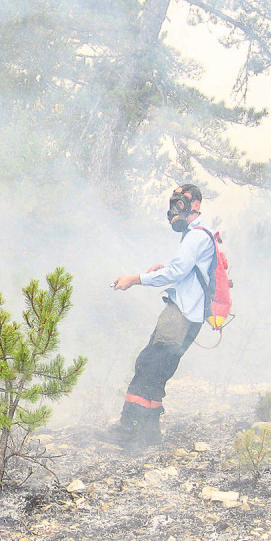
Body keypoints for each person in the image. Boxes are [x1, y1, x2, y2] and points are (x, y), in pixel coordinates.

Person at [103, 184, 216, 449]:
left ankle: (131, 431)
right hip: (188, 315)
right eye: (174, 201)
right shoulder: (196, 235)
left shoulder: (197, 236)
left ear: (196, 204)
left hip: (182, 315)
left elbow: (177, 273)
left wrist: (135, 279)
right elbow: (186, 271)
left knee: (150, 367)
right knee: (155, 368)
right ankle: (148, 432)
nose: (176, 206)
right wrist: (164, 269)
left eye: (182, 201)